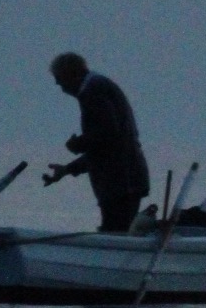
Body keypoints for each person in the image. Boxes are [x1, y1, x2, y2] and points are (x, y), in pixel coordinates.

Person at [43, 52, 150, 232]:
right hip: (126, 180)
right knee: (117, 232)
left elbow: (107, 136)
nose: (58, 85)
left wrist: (77, 145)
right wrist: (69, 169)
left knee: (115, 233)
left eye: (59, 79)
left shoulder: (93, 90)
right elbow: (109, 145)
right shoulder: (99, 87)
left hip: (120, 183)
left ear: (72, 74)